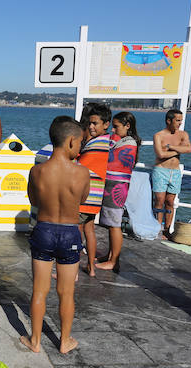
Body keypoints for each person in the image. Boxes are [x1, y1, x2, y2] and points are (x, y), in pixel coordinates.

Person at [20, 116, 90, 355]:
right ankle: (65, 340)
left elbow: (34, 201)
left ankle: (35, 341)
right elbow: (81, 201)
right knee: (66, 292)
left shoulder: (37, 171)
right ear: (71, 141)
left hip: (44, 230)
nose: (80, 147)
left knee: (39, 290)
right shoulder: (82, 173)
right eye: (80, 142)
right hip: (70, 233)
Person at [96, 111, 140, 272]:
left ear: (127, 126)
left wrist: (111, 140)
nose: (113, 131)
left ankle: (114, 261)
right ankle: (110, 255)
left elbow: (114, 162)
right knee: (110, 224)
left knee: (114, 225)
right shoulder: (122, 140)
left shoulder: (129, 143)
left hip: (117, 186)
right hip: (111, 185)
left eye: (116, 127)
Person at [77, 103, 112, 276]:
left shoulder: (98, 143)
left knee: (76, 230)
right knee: (89, 229)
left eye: (95, 123)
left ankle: (73, 271)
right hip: (95, 196)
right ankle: (91, 267)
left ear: (106, 124)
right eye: (90, 123)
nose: (91, 126)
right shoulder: (107, 142)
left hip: (86, 196)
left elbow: (80, 165)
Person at [152, 109, 191, 235]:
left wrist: (172, 147)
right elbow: (161, 154)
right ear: (169, 121)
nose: (180, 123)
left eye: (181, 120)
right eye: (177, 120)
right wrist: (180, 150)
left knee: (170, 201)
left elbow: (189, 149)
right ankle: (157, 226)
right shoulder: (158, 135)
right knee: (159, 200)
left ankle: (167, 229)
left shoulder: (183, 134)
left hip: (175, 172)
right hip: (160, 170)